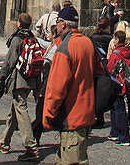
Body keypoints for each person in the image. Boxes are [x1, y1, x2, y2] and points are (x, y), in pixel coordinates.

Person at [42, 9, 103, 164]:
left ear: (63, 24)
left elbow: (57, 89)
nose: (56, 26)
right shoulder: (87, 42)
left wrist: (48, 115)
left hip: (72, 117)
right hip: (86, 114)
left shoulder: (64, 49)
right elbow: (99, 72)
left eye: (57, 23)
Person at [0, 11, 42, 160]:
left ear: (19, 24)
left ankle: (31, 147)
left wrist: (1, 81)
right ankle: (4, 142)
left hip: (20, 80)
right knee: (15, 110)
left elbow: (9, 62)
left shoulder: (17, 39)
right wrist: (37, 86)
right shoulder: (33, 38)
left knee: (21, 109)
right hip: (31, 79)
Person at [107, 28, 130, 145]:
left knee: (119, 110)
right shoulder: (128, 52)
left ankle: (124, 137)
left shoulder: (116, 54)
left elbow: (110, 69)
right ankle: (114, 133)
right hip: (126, 82)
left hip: (117, 84)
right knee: (115, 108)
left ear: (117, 39)